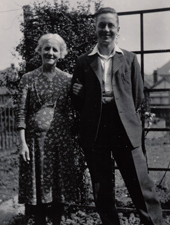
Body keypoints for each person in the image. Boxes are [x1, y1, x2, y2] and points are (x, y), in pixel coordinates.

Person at [71, 7, 165, 225]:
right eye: (101, 25)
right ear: (95, 28)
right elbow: (76, 101)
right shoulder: (83, 62)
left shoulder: (130, 59)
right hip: (96, 130)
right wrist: (85, 95)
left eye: (110, 25)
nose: (106, 29)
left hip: (125, 128)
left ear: (117, 29)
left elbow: (138, 96)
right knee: (102, 188)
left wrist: (119, 108)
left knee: (141, 185)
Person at [15, 33, 85, 225]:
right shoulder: (28, 79)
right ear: (40, 51)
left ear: (61, 53)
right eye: (47, 48)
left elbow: (81, 106)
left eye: (55, 49)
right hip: (35, 143)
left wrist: (80, 93)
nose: (50, 52)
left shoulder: (68, 79)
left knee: (59, 193)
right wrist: (22, 143)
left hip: (61, 142)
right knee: (37, 195)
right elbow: (20, 112)